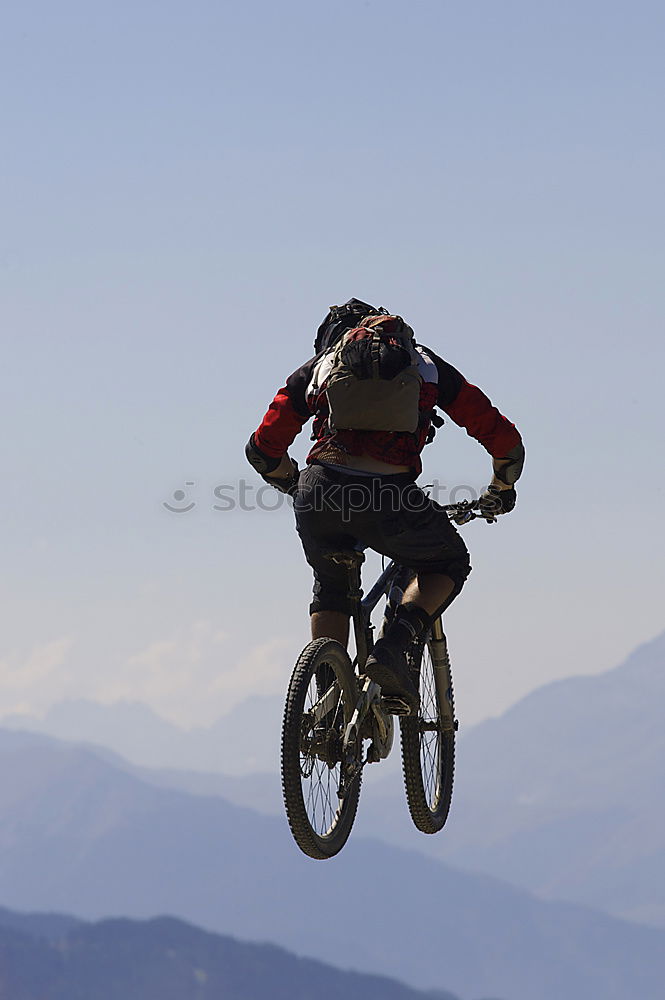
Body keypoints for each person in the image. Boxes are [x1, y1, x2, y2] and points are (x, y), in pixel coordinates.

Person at [245, 298, 524, 713]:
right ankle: (395, 646)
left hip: (319, 489)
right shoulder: (424, 365)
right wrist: (501, 486)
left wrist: (295, 485)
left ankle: (328, 702)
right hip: (389, 496)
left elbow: (262, 450)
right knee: (447, 561)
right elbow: (503, 438)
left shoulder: (318, 368)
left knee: (332, 583)